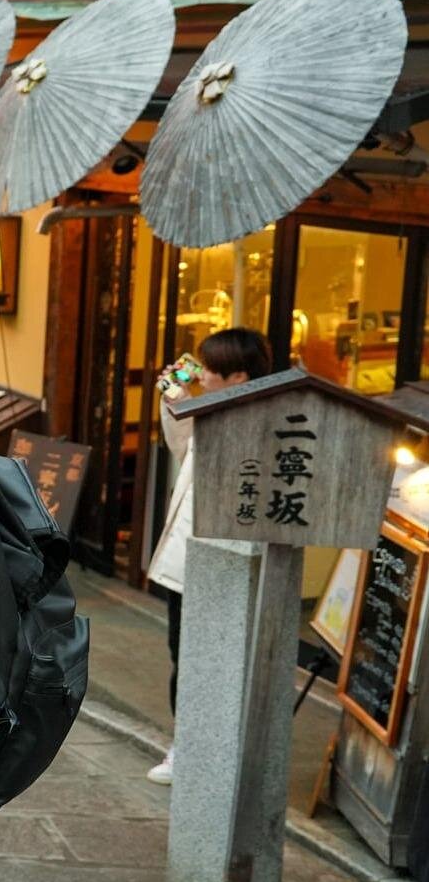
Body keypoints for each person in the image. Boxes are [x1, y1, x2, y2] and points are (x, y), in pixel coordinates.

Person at [143, 327, 272, 785]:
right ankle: (188, 746)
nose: (202, 375)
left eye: (211, 370)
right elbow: (183, 444)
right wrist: (175, 395)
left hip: (224, 563)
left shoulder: (258, 423)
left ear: (239, 377)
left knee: (213, 661)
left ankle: (205, 753)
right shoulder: (213, 411)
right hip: (187, 561)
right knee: (184, 655)